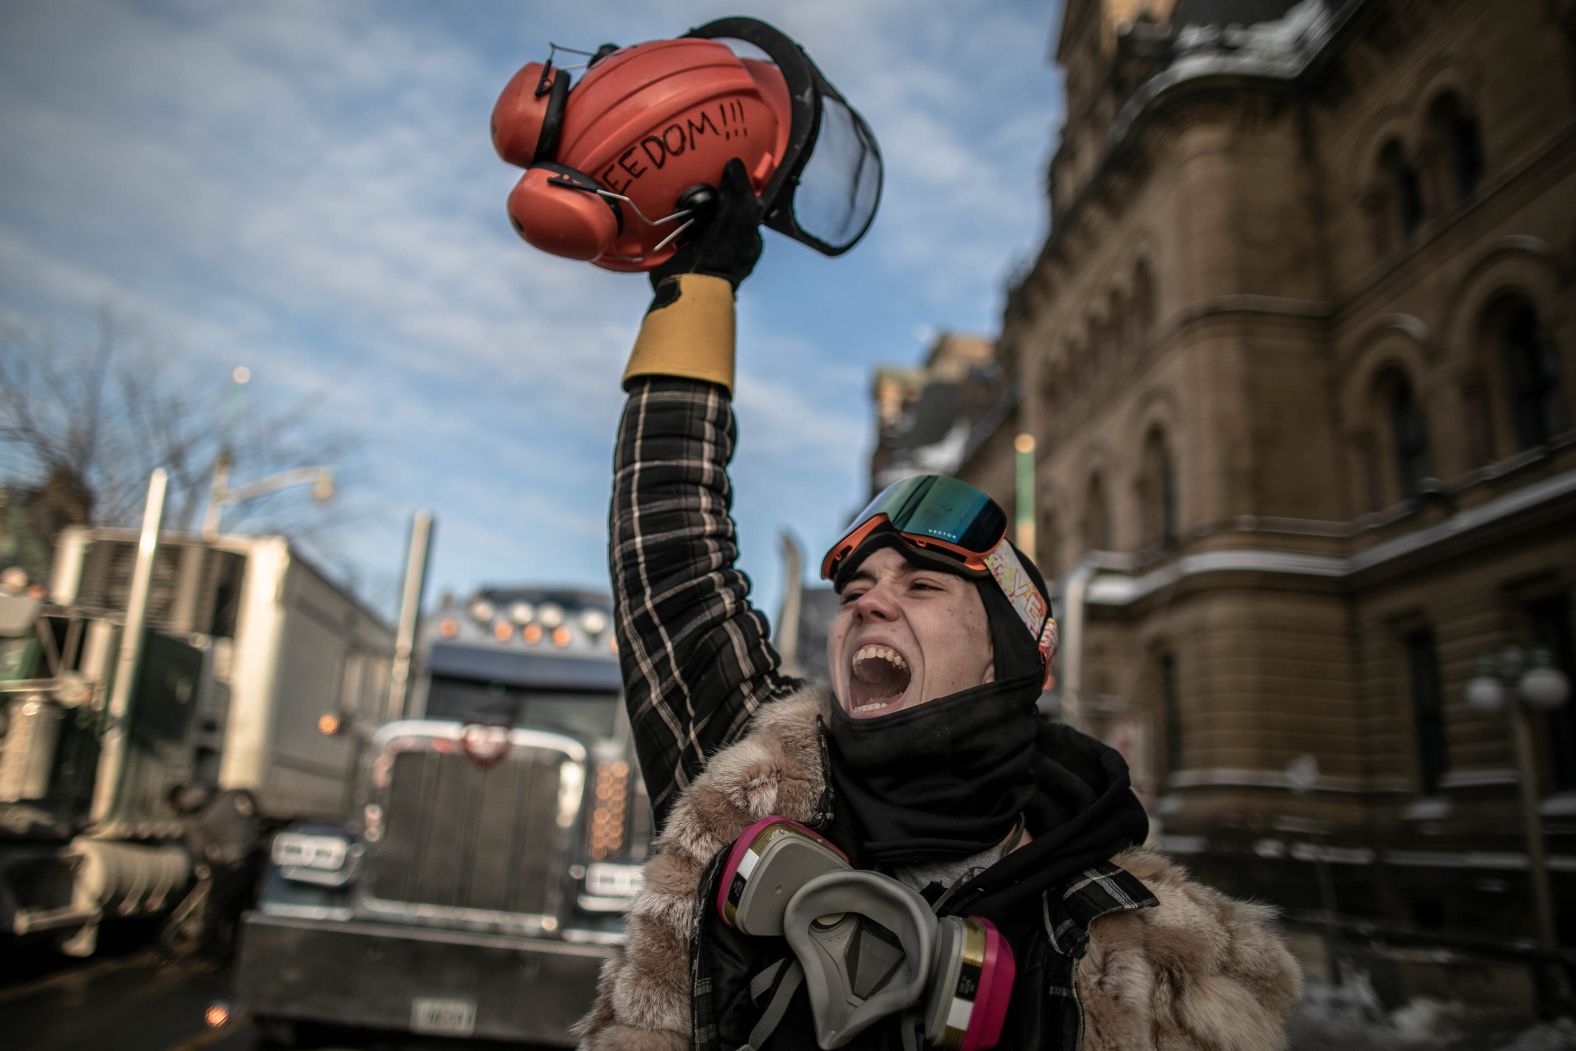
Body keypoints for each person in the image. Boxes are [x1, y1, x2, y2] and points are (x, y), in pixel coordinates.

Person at [577, 160, 1302, 1050]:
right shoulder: (754, 783)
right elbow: (672, 551)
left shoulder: (1155, 946)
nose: (869, 606)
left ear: (1005, 653)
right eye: (857, 590)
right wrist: (698, 287)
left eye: (921, 586)